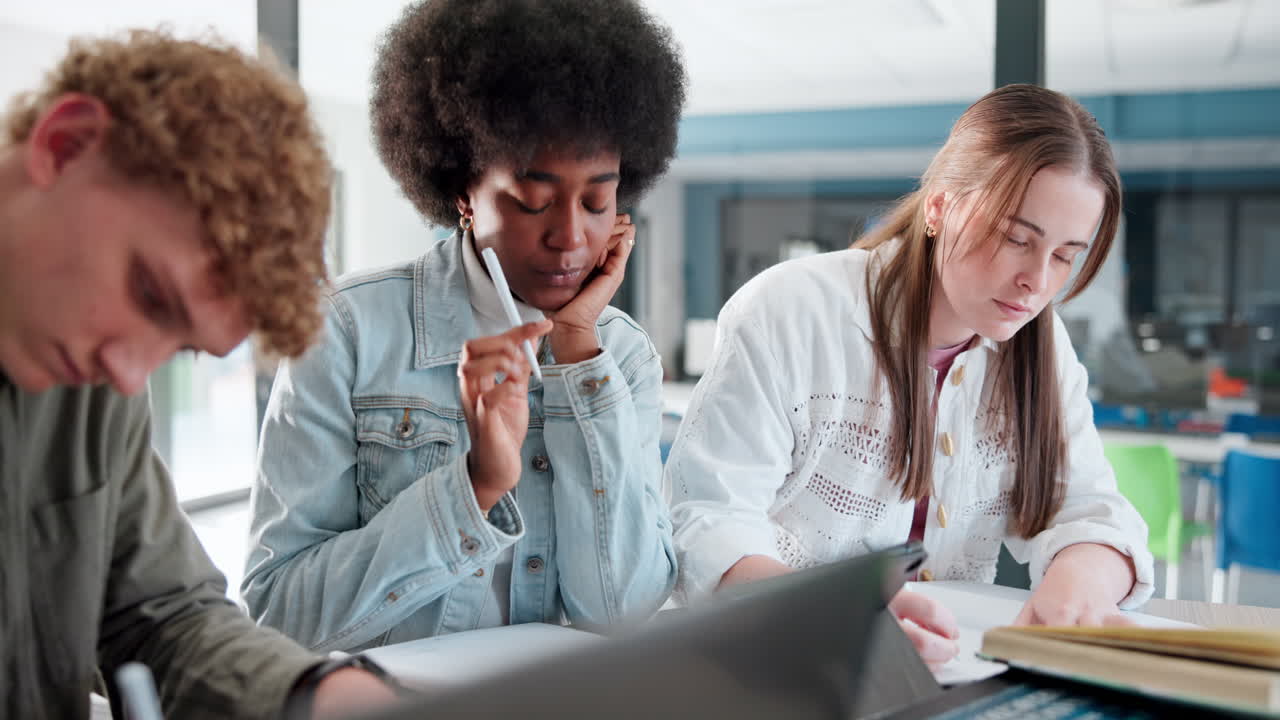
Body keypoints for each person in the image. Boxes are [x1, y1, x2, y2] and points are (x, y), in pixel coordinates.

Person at [243, 0, 686, 653]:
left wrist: (578, 358)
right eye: (533, 200)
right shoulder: (345, 331)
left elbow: (622, 613)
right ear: (461, 192)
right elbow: (279, 616)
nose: (570, 237)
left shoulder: (620, 354)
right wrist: (475, 486)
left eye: (597, 200)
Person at [665, 84, 1154, 667]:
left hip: (940, 671)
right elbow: (706, 519)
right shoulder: (791, 310)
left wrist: (1081, 580)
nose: (1037, 282)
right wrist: (824, 617)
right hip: (775, 662)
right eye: (1016, 238)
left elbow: (1090, 509)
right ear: (940, 207)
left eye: (1066, 255)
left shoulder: (1041, 346)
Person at [0, 30, 399, 719]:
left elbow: (161, 616)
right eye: (149, 293)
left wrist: (320, 694)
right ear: (66, 145)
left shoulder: (90, 379)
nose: (128, 376)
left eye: (178, 348)